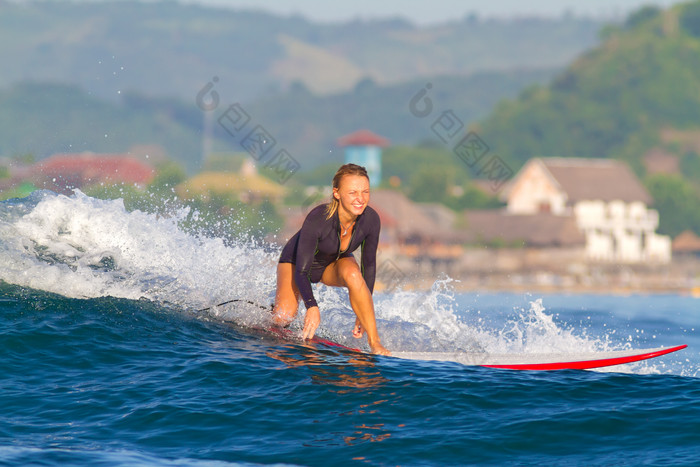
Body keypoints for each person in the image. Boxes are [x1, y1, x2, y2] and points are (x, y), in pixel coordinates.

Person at [272, 163, 390, 356]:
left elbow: (368, 266)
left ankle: (375, 343)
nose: (360, 199)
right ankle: (272, 321)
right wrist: (311, 306)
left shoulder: (371, 220)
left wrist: (363, 309)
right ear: (337, 193)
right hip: (296, 263)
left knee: (353, 272)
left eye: (365, 192)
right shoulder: (319, 217)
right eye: (352, 192)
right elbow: (302, 271)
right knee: (284, 318)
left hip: (332, 265)